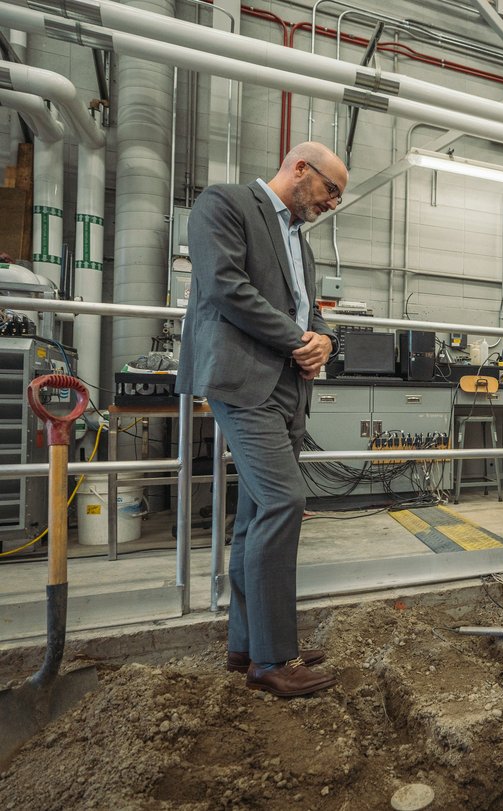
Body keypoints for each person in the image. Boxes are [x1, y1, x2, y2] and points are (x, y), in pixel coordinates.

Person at [177, 142, 346, 697]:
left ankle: (247, 645)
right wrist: (299, 337)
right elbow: (228, 287)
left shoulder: (301, 243)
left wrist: (322, 337)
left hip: (288, 388)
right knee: (283, 501)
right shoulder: (224, 204)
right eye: (329, 191)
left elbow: (309, 308)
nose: (331, 203)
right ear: (301, 169)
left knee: (254, 516)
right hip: (243, 379)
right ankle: (275, 659)